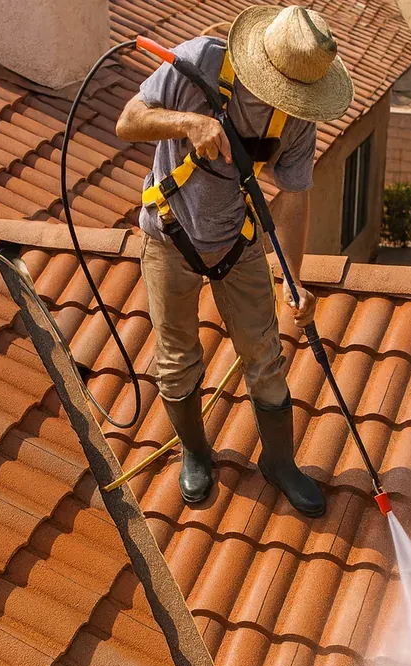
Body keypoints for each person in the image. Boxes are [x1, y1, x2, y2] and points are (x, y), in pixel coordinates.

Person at [116, 5, 353, 518]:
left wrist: (294, 280)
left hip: (238, 243)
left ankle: (280, 463)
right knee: (177, 360)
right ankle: (196, 453)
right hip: (170, 235)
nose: (281, 102)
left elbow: (294, 197)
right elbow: (128, 121)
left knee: (265, 358)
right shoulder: (197, 63)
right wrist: (188, 122)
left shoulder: (297, 119)